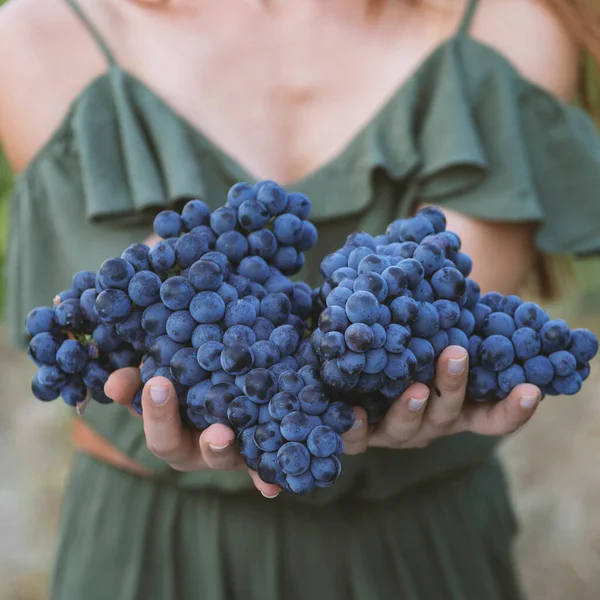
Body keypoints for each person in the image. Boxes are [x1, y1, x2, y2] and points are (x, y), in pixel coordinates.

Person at [1, 0, 600, 598]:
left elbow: (443, 302)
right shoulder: (38, 35)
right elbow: (142, 298)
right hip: (150, 550)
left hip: (417, 547)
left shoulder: (509, 22)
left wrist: (347, 362)